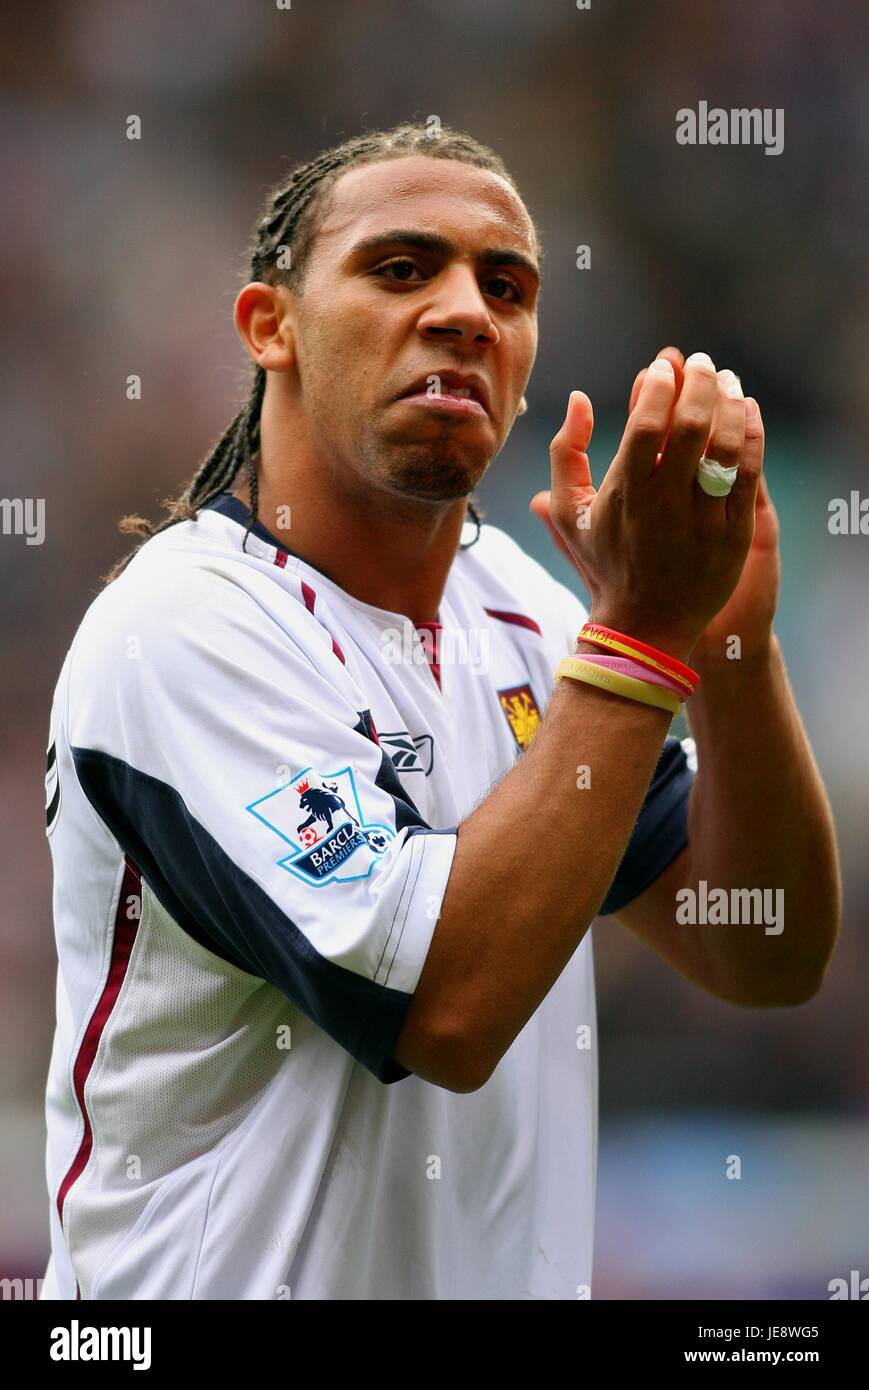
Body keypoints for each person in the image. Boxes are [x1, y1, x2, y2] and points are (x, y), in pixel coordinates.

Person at [40, 123, 839, 1300]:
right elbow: (444, 1013)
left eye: (504, 286)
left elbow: (760, 944)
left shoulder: (524, 612)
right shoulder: (185, 624)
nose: (466, 309)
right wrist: (639, 636)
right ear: (271, 327)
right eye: (401, 268)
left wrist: (724, 639)